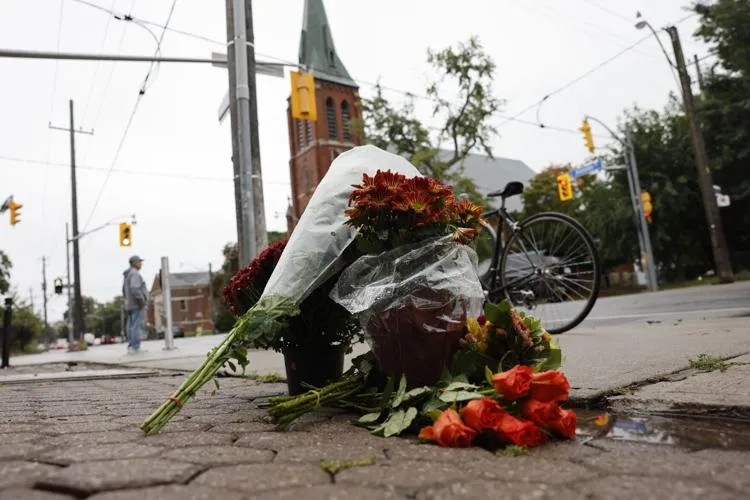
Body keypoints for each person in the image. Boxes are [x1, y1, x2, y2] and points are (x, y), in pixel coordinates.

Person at [123, 255, 148, 354]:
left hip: (129, 304)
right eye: (139, 262)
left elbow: (124, 290)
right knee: (136, 326)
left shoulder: (128, 274)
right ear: (135, 263)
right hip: (137, 304)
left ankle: (131, 346)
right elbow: (135, 288)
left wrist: (127, 300)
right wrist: (142, 301)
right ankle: (135, 347)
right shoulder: (135, 274)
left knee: (131, 326)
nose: (141, 264)